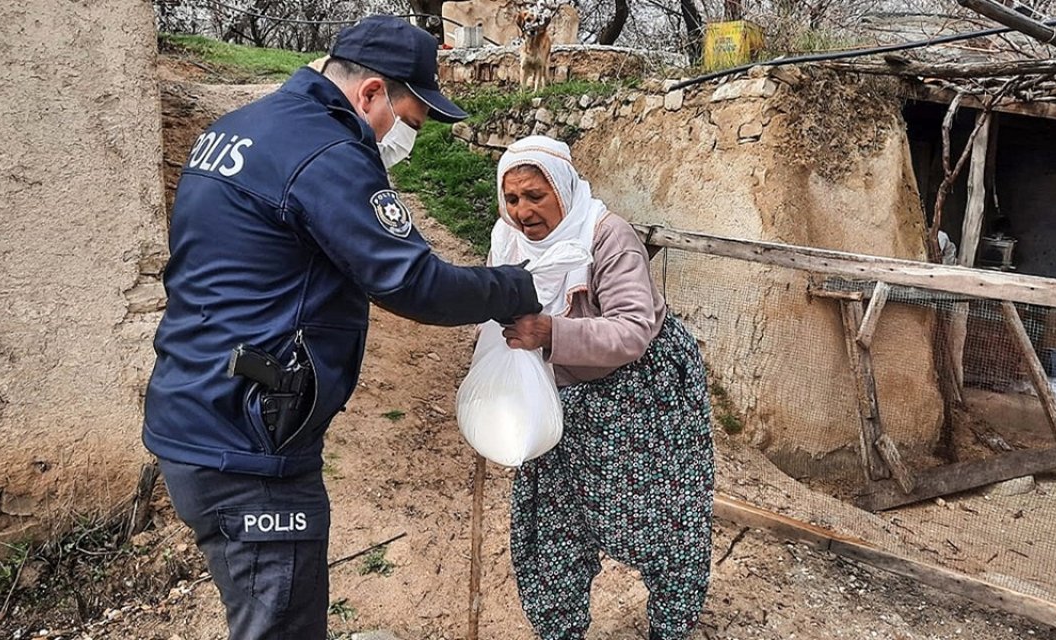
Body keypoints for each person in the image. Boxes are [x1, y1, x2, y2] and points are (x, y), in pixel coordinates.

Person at [141, 16, 541, 640]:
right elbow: (416, 284)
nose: (403, 137)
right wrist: (515, 286)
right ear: (373, 93)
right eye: (409, 120)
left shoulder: (239, 128)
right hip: (250, 450)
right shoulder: (327, 151)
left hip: (193, 409)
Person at [492, 136, 715, 640]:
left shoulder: (606, 236)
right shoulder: (507, 241)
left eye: (534, 195)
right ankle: (560, 628)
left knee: (663, 517)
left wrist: (550, 333)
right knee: (554, 523)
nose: (522, 211)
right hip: (561, 400)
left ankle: (669, 626)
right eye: (512, 198)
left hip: (643, 396)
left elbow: (633, 328)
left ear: (564, 191)